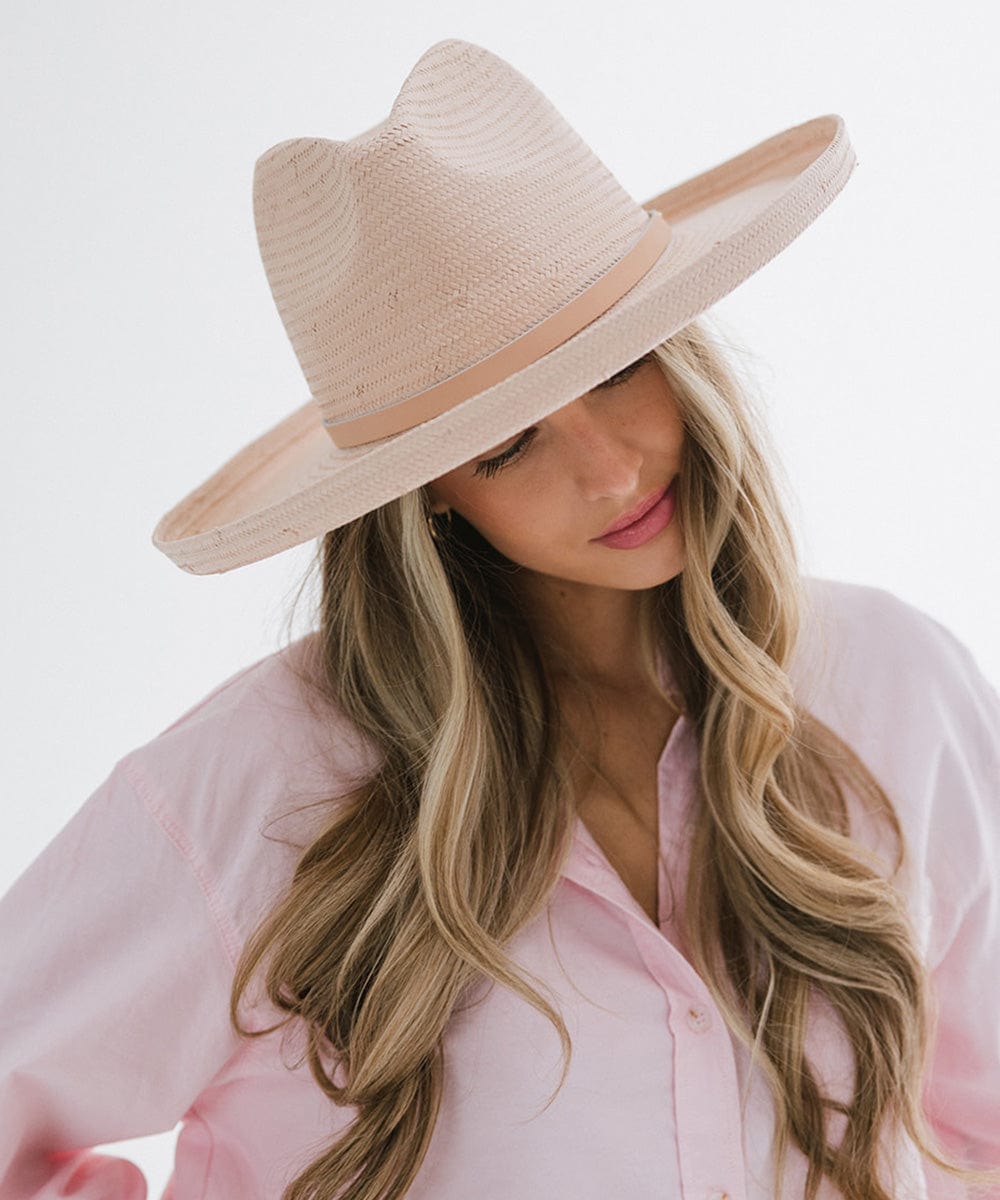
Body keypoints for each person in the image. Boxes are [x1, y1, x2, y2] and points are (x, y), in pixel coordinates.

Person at [1, 35, 997, 1200]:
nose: (612, 471)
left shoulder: (896, 686)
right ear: (428, 492)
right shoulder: (263, 785)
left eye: (618, 369)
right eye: (508, 443)